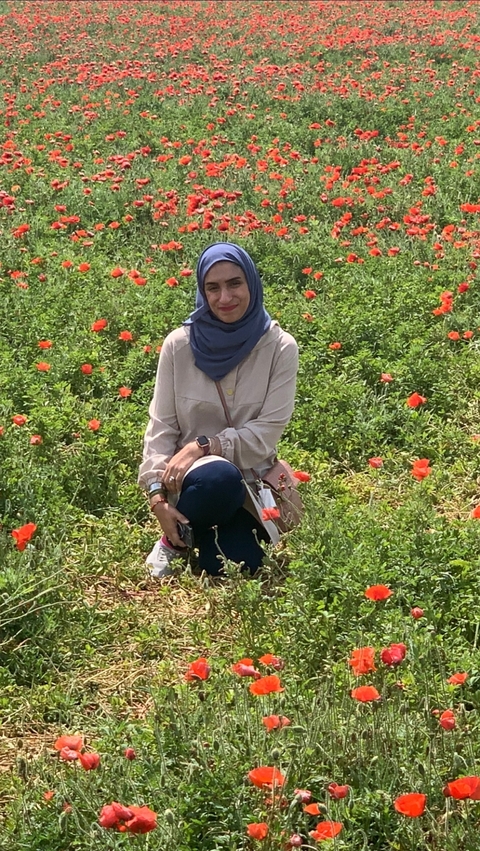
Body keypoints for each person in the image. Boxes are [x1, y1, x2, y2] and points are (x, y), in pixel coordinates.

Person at [138, 242, 299, 577]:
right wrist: (157, 497)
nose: (225, 298)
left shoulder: (280, 348)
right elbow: (161, 428)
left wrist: (204, 445)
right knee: (218, 478)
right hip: (198, 483)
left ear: (251, 283)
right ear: (202, 291)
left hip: (251, 484)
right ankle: (172, 542)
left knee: (235, 565)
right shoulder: (179, 346)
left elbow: (266, 434)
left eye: (234, 284)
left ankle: (191, 535)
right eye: (213, 288)